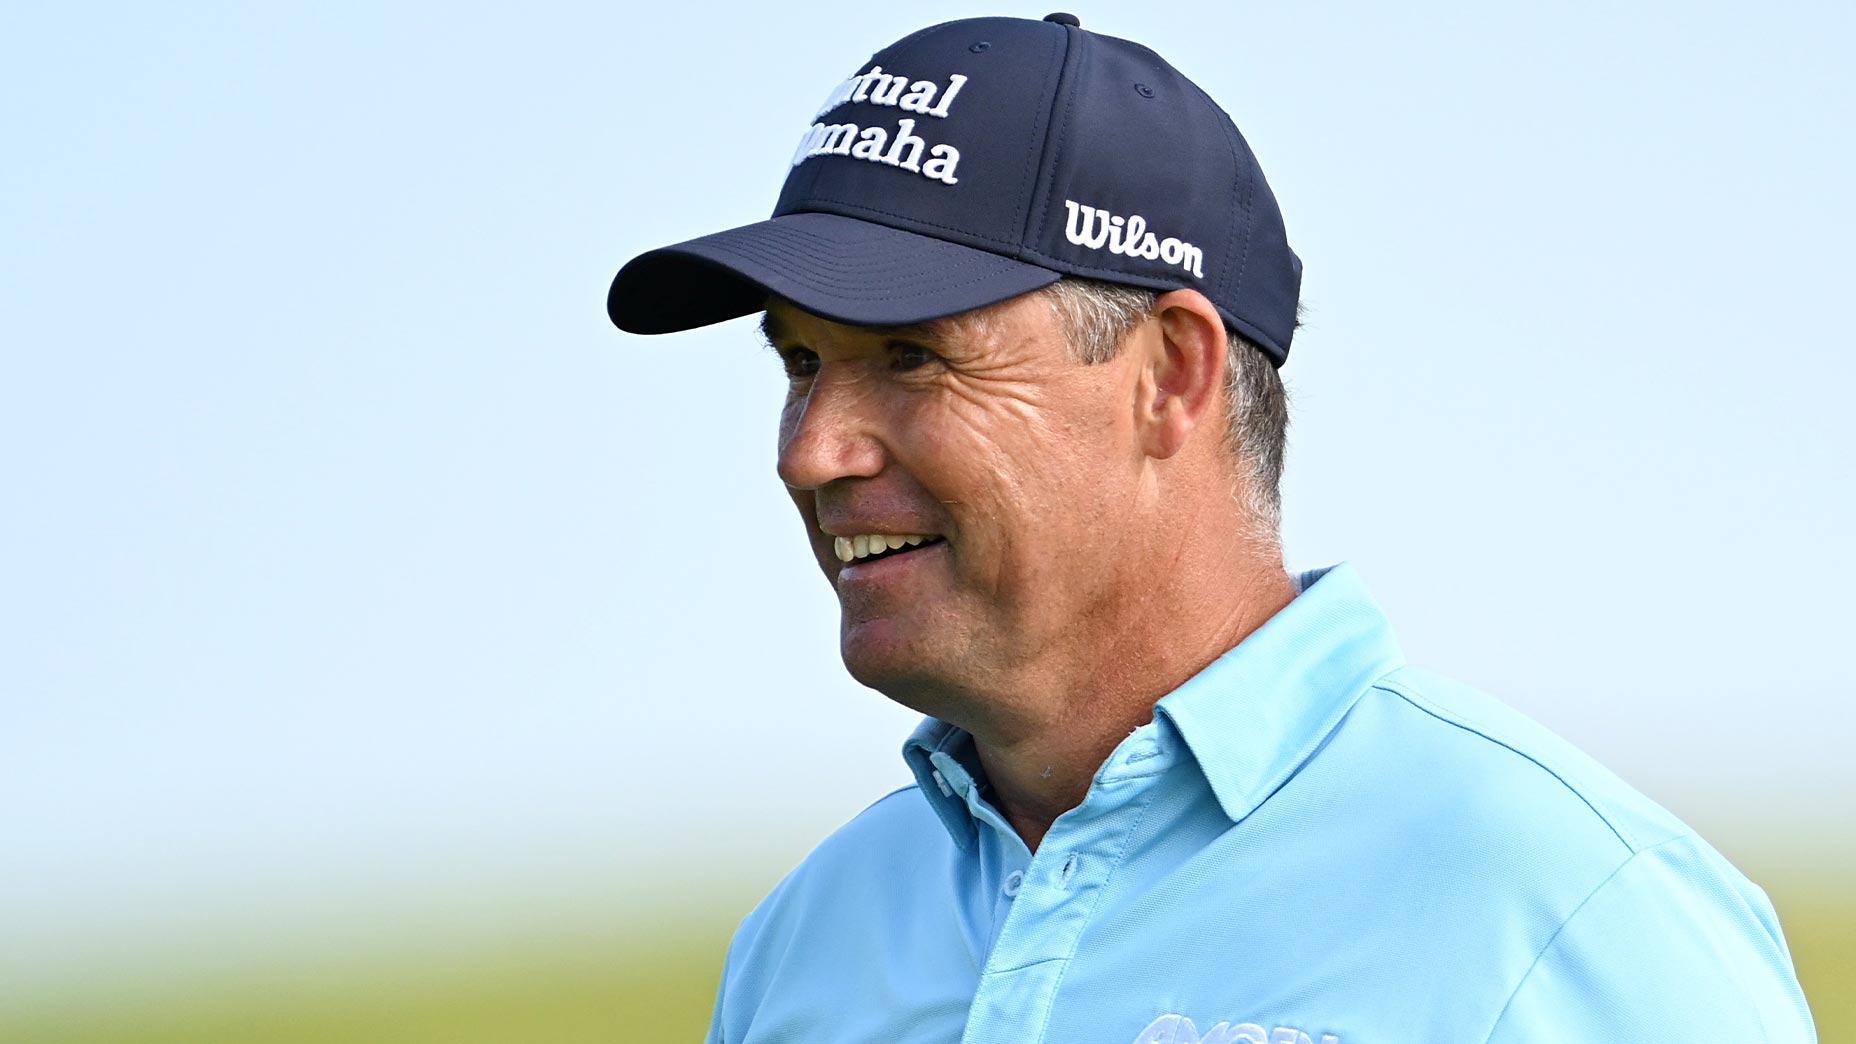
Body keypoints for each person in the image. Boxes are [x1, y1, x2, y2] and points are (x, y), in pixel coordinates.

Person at [607, 14, 1817, 1044]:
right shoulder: (802, 950)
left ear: (1169, 375)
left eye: (912, 357)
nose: (810, 451)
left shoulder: (1570, 908)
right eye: (802, 363)